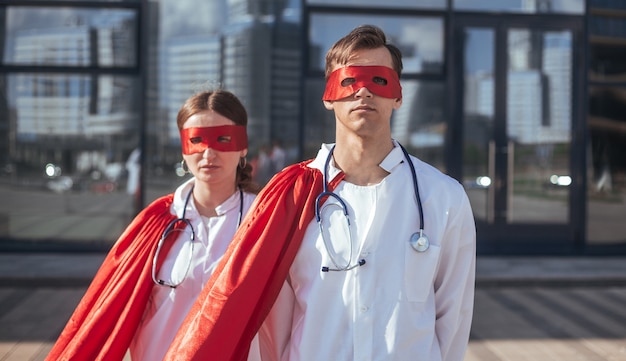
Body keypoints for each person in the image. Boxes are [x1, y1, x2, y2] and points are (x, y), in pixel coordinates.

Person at [164, 25, 476, 361]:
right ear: (329, 96)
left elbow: (453, 319)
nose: (363, 93)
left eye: (379, 80)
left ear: (397, 96)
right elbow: (273, 322)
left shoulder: (444, 198)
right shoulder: (292, 196)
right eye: (350, 81)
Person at [46, 89, 261, 360]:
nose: (208, 153)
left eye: (222, 139)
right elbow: (109, 309)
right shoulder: (157, 221)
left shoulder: (266, 219)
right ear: (184, 149)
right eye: (196, 140)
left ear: (243, 146)